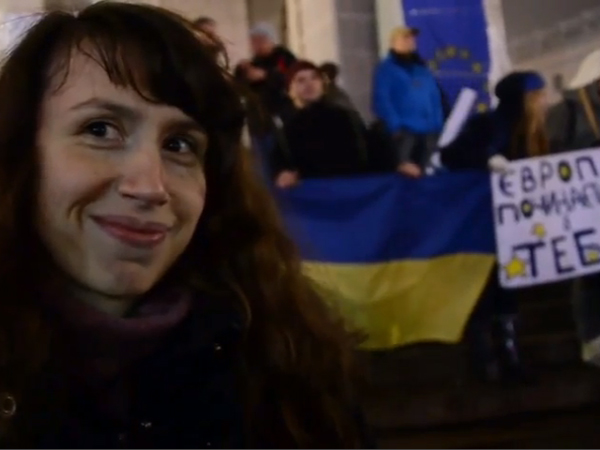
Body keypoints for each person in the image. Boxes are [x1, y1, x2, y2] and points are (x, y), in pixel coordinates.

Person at [0, 3, 371, 448]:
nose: (150, 187)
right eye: (100, 130)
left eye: (179, 144)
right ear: (21, 153)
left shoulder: (292, 365)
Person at [441, 71, 548, 385]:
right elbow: (451, 154)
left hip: (514, 226)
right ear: (524, 98)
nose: (545, 101)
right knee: (487, 289)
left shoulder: (532, 132)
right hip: (483, 223)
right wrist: (487, 160)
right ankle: (484, 358)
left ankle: (509, 356)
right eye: (539, 95)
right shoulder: (488, 125)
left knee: (507, 291)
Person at [271, 61, 369, 189]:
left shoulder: (345, 117)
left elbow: (368, 153)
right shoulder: (286, 129)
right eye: (301, 80)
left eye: (314, 78)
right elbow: (279, 164)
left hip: (350, 190)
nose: (309, 84)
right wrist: (283, 174)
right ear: (290, 89)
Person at [372, 26, 445, 178]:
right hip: (405, 133)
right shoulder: (386, 69)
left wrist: (437, 123)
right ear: (394, 42)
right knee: (404, 173)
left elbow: (434, 97)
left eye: (412, 38)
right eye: (405, 38)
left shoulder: (422, 69)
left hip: (429, 132)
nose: (410, 41)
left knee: (427, 174)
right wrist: (395, 126)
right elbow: (382, 99)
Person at [234, 22, 296, 118]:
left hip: (284, 111)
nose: (257, 45)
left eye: (261, 40)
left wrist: (265, 75)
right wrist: (241, 72)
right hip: (261, 116)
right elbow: (242, 90)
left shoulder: (282, 57)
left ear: (271, 40)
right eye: (253, 41)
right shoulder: (254, 63)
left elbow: (289, 77)